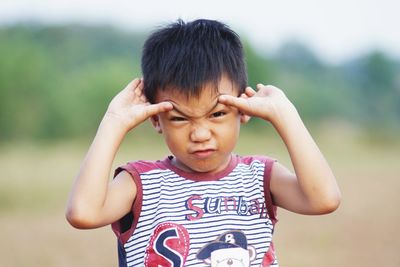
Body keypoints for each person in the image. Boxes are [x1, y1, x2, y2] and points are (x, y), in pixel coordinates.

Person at [66, 19, 341, 267]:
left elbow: (324, 199)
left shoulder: (260, 177)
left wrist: (286, 115)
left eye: (217, 114)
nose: (200, 133)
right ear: (155, 119)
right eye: (179, 119)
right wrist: (114, 121)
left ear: (244, 110)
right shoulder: (140, 184)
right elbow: (83, 213)